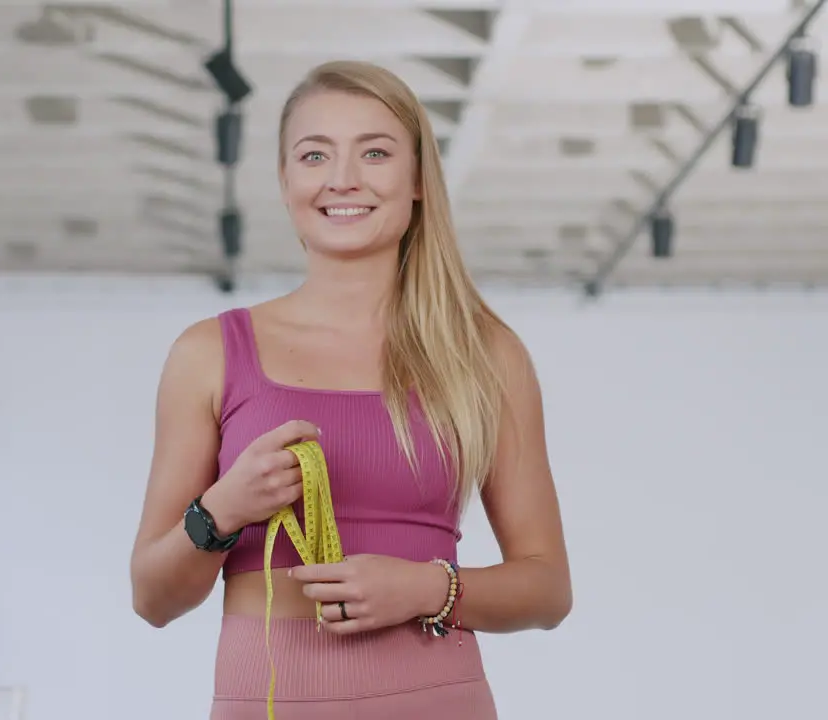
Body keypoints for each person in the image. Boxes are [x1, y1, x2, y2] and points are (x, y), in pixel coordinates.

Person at [129, 60, 572, 719]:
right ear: (285, 181)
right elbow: (152, 598)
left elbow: (547, 587)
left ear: (418, 179)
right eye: (315, 155)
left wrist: (428, 588)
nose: (342, 178)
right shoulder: (210, 354)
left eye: (375, 152)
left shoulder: (485, 353)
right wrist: (222, 508)